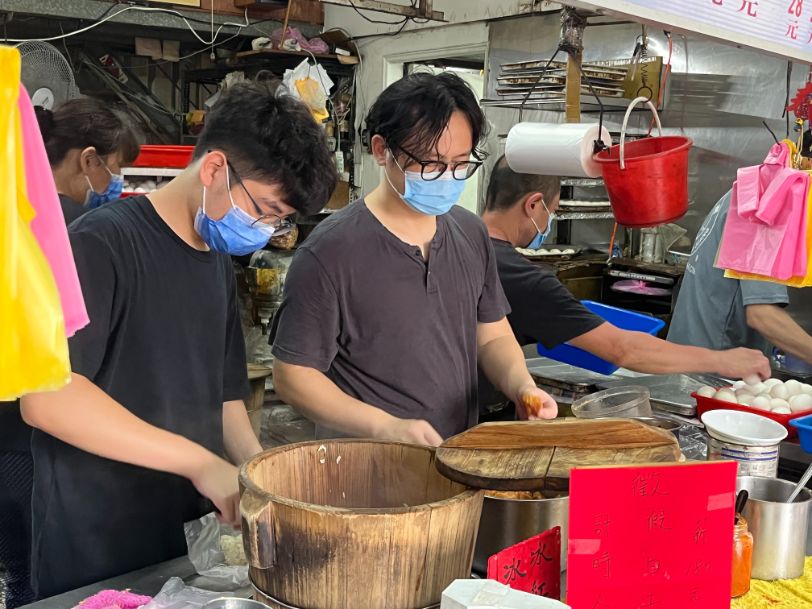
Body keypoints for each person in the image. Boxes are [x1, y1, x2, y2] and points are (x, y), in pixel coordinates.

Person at [20, 82, 338, 598]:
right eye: (266, 208)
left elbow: (225, 396)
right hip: (95, 541)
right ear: (214, 169)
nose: (267, 228)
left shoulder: (213, 257)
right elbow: (47, 397)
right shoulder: (100, 243)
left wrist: (260, 479)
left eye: (279, 219)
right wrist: (200, 462)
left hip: (182, 540)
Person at [270, 72, 557, 447]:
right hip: (366, 474)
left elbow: (491, 335)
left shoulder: (470, 234)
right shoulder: (330, 252)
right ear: (381, 150)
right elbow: (293, 375)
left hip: (456, 461)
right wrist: (384, 426)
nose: (447, 178)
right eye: (432, 164)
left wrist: (522, 386)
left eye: (459, 164)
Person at [478, 156, 770, 417]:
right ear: (532, 204)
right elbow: (623, 349)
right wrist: (722, 360)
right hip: (472, 419)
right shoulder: (527, 279)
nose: (549, 222)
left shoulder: (461, 245)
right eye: (552, 212)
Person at [668, 188, 812, 364]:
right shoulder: (764, 209)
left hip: (690, 360)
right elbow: (763, 316)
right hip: (709, 374)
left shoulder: (754, 188)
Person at [34, 98, 140, 224]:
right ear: (89, 160)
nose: (118, 179)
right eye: (118, 167)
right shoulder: (84, 228)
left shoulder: (16, 204)